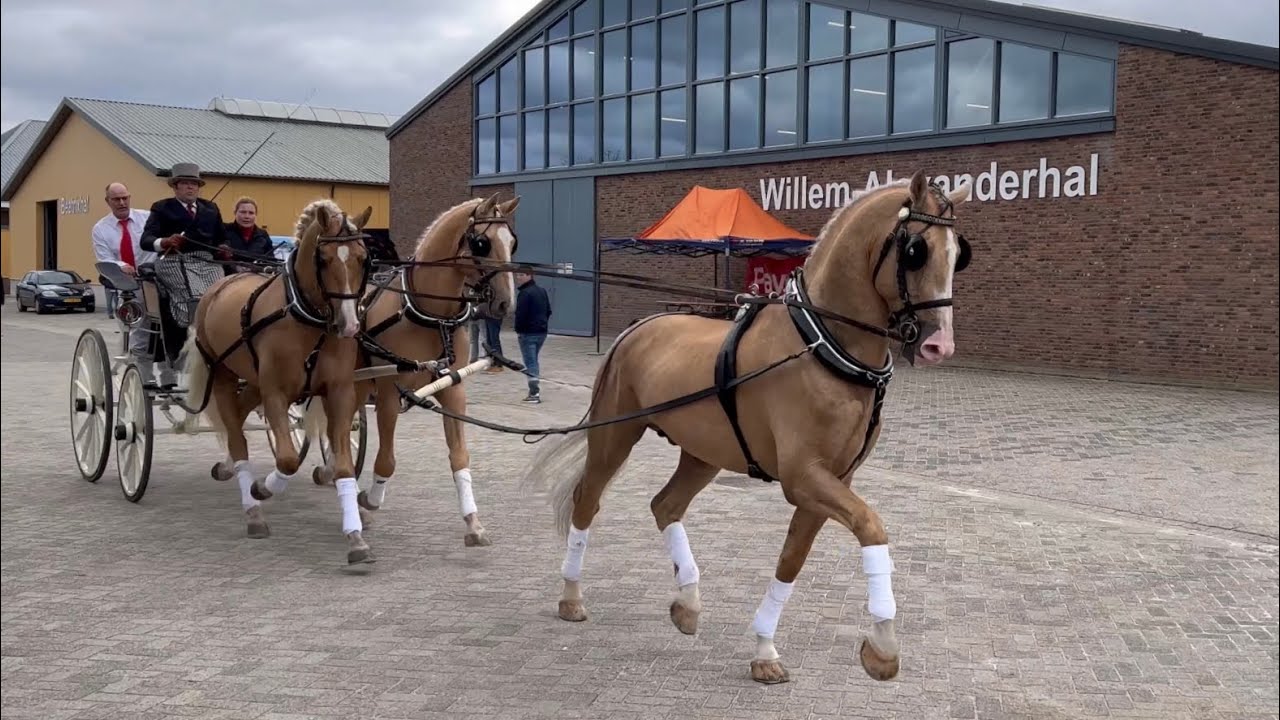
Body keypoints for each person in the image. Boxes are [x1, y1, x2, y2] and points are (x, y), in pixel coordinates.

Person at [140, 162, 228, 387]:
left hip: (206, 262)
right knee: (193, 295)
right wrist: (165, 241)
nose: (190, 188)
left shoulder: (211, 208)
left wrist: (223, 248)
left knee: (221, 295)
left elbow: (221, 238)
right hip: (173, 261)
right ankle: (186, 344)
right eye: (185, 184)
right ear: (175, 187)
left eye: (194, 184)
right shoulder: (162, 208)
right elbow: (146, 240)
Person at [90, 182, 159, 383]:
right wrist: (121, 265)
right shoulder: (100, 229)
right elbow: (104, 258)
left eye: (125, 198)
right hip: (128, 283)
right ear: (107, 201)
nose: (122, 203)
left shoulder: (146, 218)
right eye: (116, 199)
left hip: (153, 277)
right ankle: (142, 372)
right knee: (139, 323)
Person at [513, 266, 551, 403]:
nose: (518, 278)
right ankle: (533, 390)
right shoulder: (542, 291)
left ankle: (534, 393)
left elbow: (520, 315)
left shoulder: (524, 293)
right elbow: (548, 311)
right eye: (517, 275)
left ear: (530, 276)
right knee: (533, 360)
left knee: (530, 362)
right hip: (541, 332)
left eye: (521, 275)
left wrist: (518, 329)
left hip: (528, 333)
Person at [219, 196, 273, 274]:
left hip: (257, 279)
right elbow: (215, 256)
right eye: (243, 212)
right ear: (235, 212)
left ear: (255, 215)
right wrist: (234, 266)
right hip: (227, 278)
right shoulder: (223, 230)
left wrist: (256, 268)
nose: (247, 216)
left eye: (251, 213)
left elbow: (271, 261)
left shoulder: (263, 235)